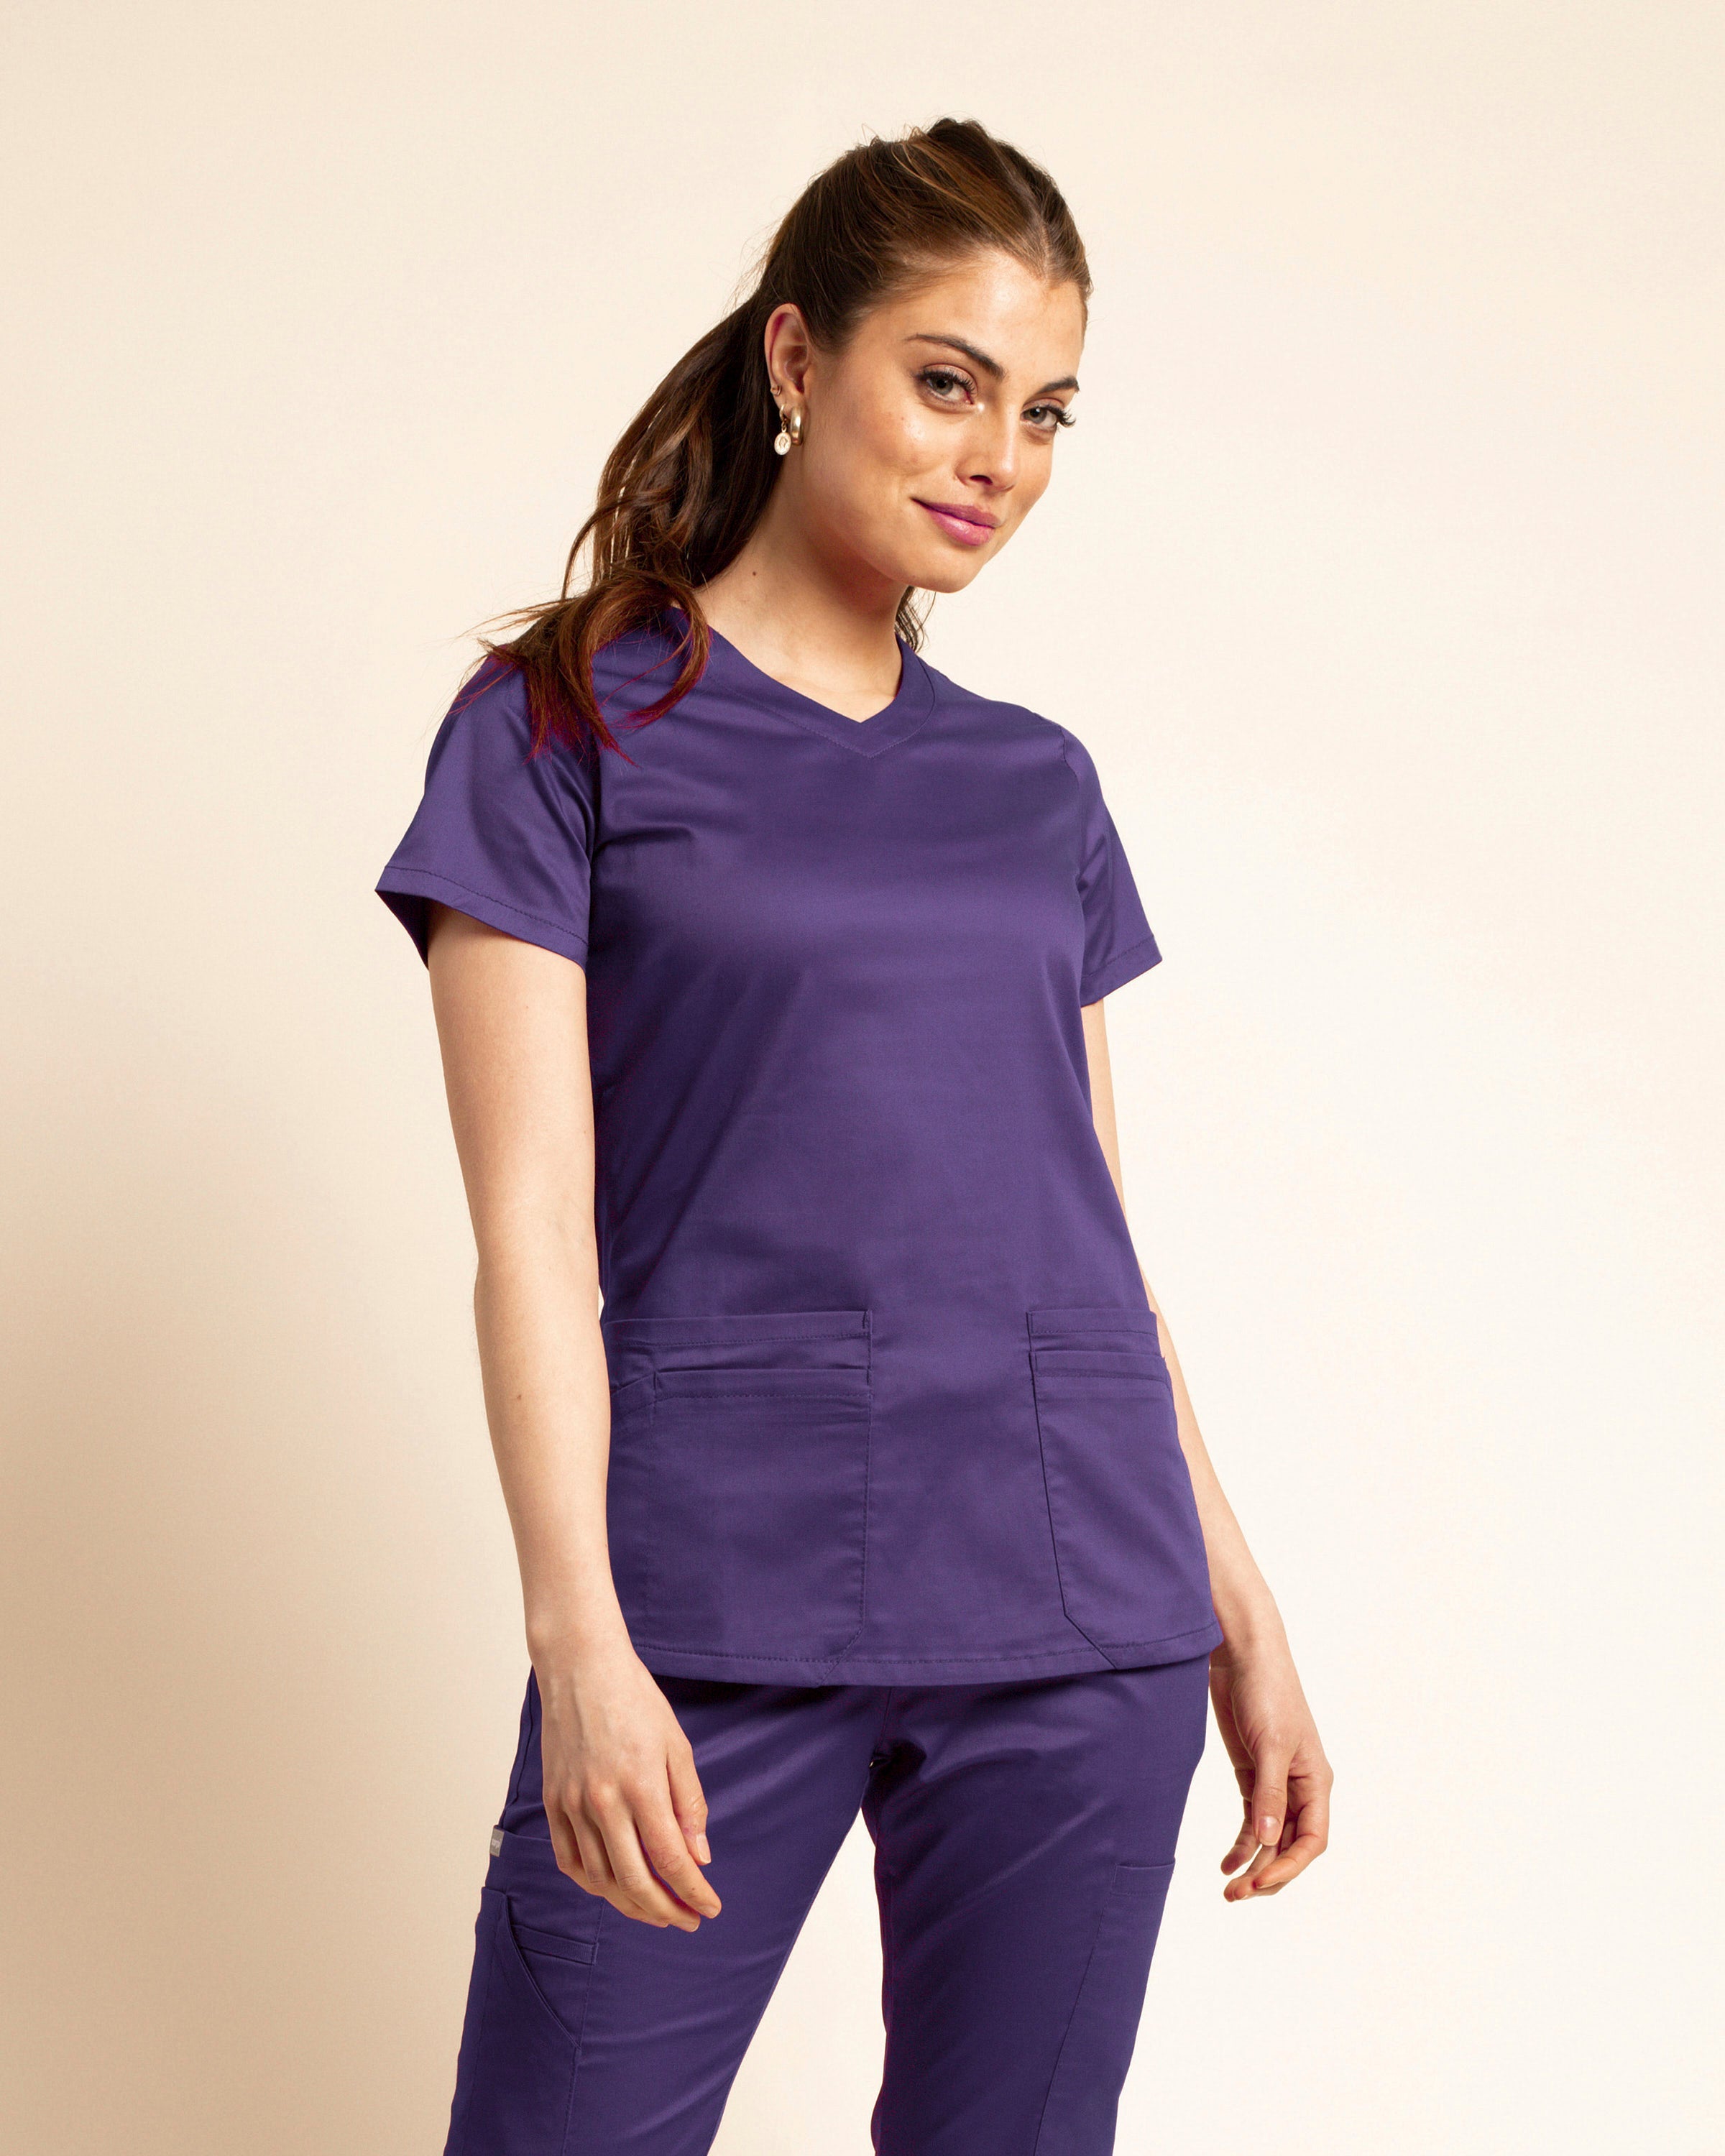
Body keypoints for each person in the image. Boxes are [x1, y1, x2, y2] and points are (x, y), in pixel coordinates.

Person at [376, 116, 1332, 2156]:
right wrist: (577, 1638)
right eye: (950, 382)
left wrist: (1241, 1609)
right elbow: (531, 1234)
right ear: (800, 358)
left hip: (1081, 1606)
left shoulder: (1038, 787)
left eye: (1045, 411)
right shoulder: (561, 727)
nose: (1000, 458)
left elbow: (1086, 1234)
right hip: (715, 1597)